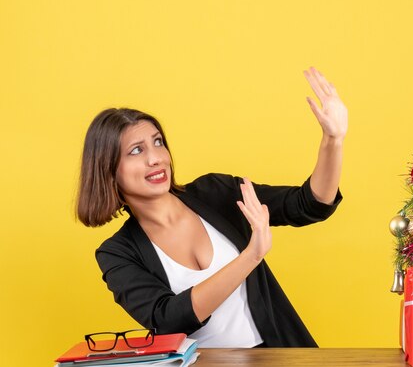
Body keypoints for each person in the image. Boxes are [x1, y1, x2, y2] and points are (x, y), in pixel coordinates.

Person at [76, 67, 347, 348]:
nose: (156, 158)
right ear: (108, 170)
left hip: (276, 356)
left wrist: (333, 140)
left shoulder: (216, 193)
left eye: (158, 142)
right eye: (136, 150)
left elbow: (310, 204)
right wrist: (250, 257)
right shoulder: (117, 253)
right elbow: (167, 319)